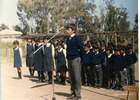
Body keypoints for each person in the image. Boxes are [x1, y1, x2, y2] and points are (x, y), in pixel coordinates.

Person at [66, 23, 84, 100]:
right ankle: (73, 93)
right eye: (66, 29)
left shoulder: (77, 38)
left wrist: (82, 60)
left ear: (73, 30)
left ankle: (78, 94)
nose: (67, 31)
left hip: (76, 59)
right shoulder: (68, 39)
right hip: (69, 59)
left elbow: (82, 50)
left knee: (77, 77)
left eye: (68, 29)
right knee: (71, 77)